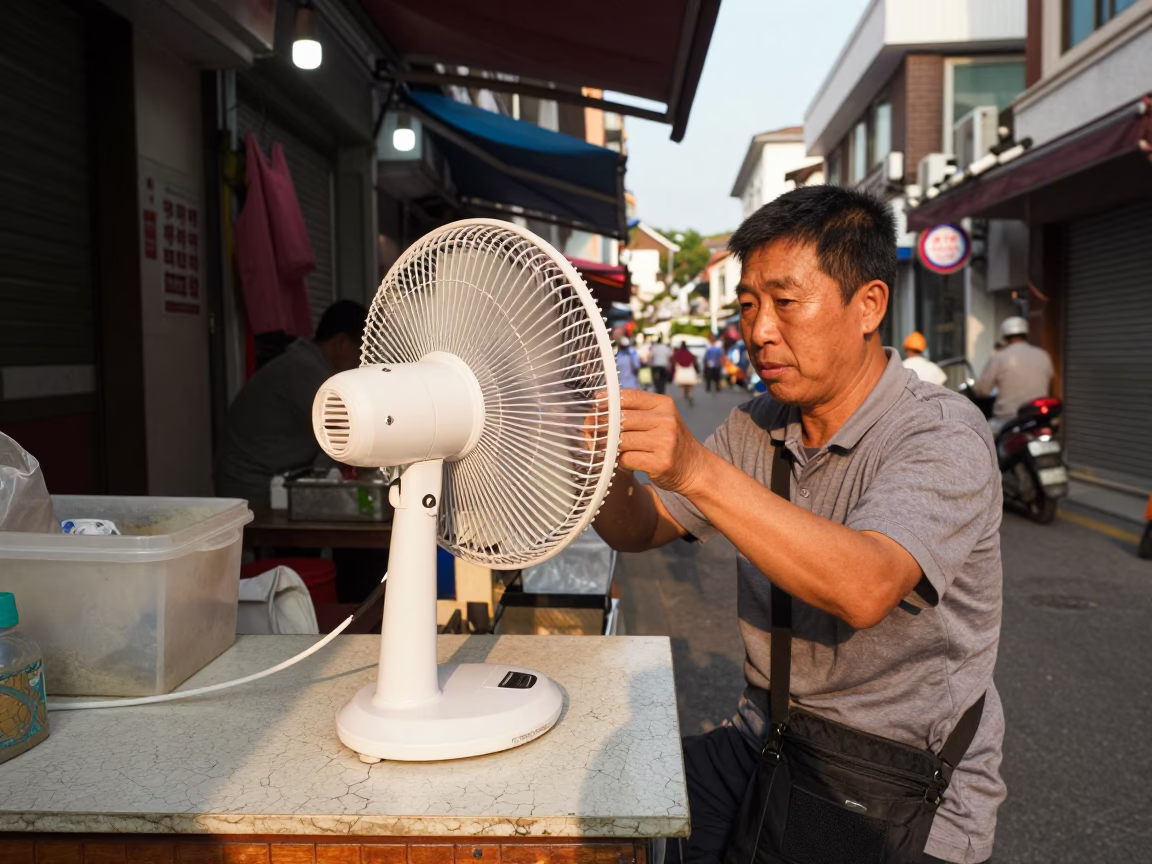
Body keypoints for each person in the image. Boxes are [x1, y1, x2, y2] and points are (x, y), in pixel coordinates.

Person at [593, 185, 1003, 864]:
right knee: (609, 808)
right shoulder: (756, 424)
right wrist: (602, 461)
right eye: (749, 305)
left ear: (868, 305)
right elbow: (639, 529)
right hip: (769, 736)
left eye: (785, 302)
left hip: (901, 781)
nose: (759, 330)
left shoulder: (941, 432)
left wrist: (695, 468)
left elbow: (867, 585)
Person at [214, 300, 368, 510]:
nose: (364, 361)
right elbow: (350, 433)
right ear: (341, 344)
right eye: (363, 350)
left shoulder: (305, 363)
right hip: (253, 491)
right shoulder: (307, 372)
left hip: (268, 482)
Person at [974, 316, 1054, 435]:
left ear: (1005, 336)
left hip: (1008, 419)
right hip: (1038, 418)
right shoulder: (1043, 355)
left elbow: (983, 390)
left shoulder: (999, 357)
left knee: (980, 436)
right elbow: (1050, 381)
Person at [671, 340, 699, 407]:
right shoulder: (688, 352)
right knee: (690, 384)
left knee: (682, 384)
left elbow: (673, 358)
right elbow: (694, 358)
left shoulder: (678, 353)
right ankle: (690, 395)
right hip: (689, 370)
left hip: (681, 370)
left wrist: (676, 365)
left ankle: (682, 395)